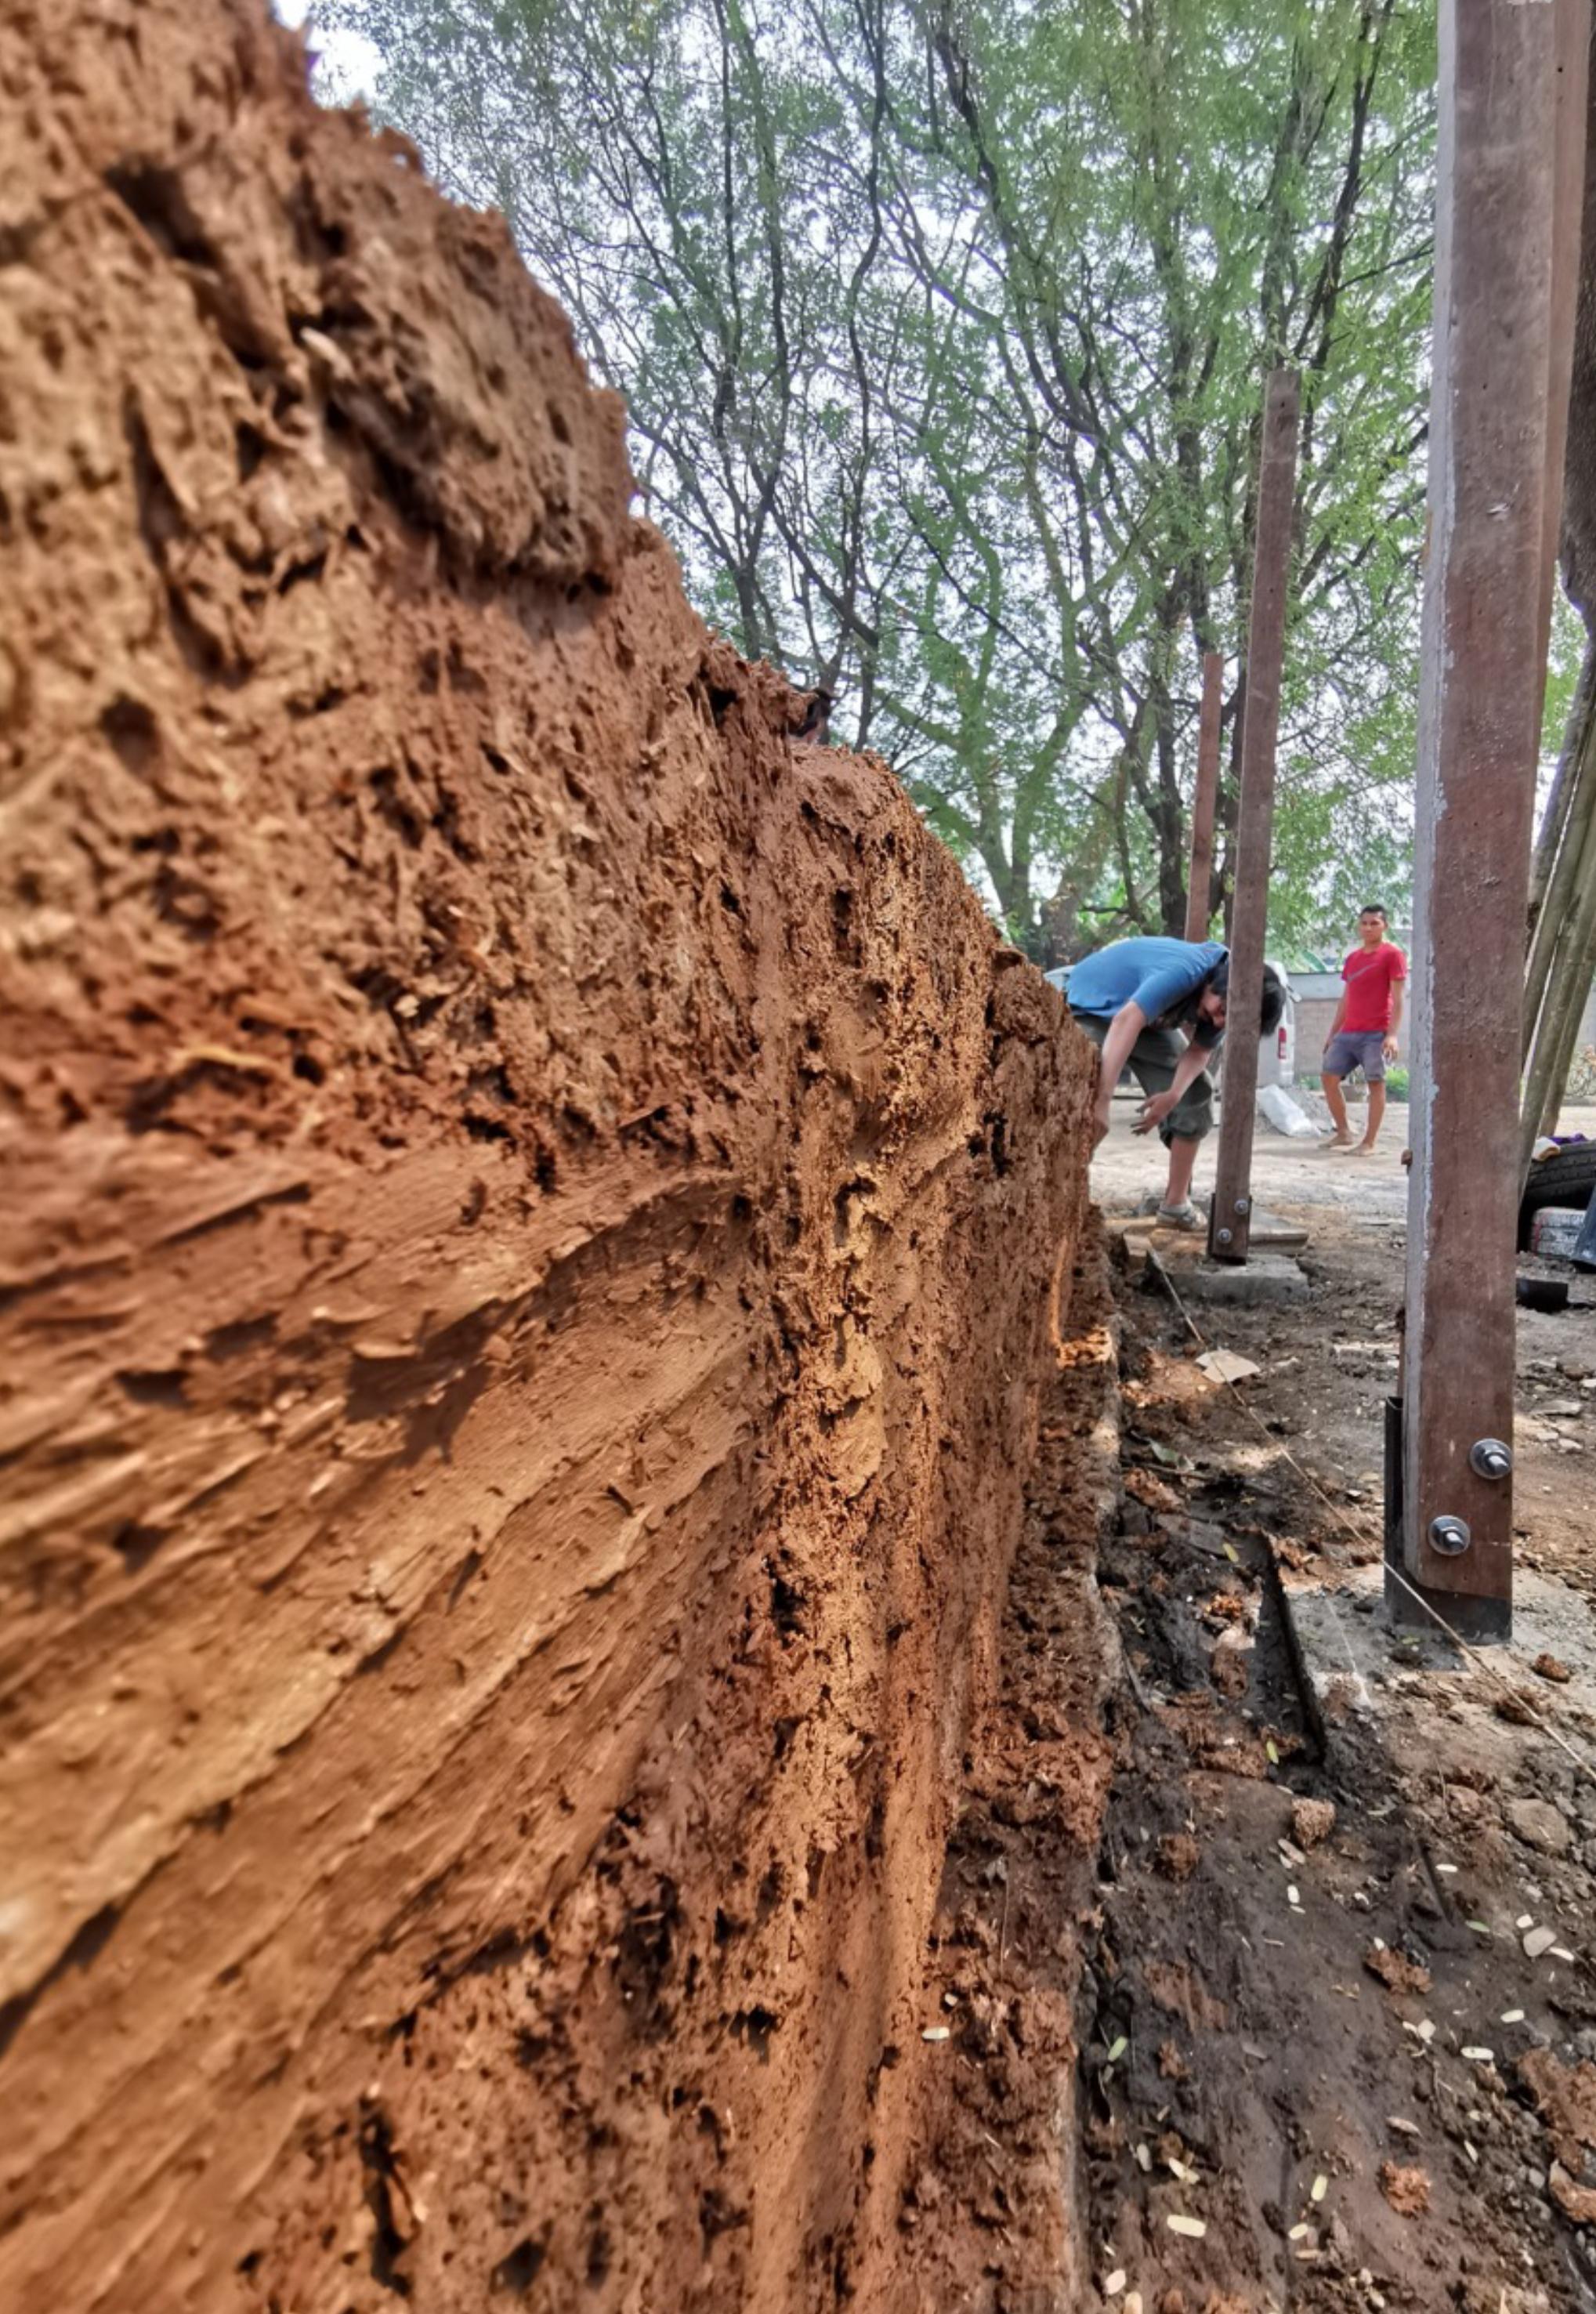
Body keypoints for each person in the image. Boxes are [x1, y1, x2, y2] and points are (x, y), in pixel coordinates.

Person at [1062, 936, 1287, 1229]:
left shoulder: (1230, 999)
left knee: (1196, 1092)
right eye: (1222, 1011)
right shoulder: (1186, 970)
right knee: (1082, 1089)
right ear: (1216, 985)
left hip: (1143, 1021)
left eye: (1229, 1021)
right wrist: (1102, 1102)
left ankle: (1175, 1205)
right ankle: (1061, 1193)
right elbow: (1126, 1021)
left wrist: (1173, 1095)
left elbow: (1199, 1052)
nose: (1219, 1023)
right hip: (1093, 1005)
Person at [1321, 905, 1406, 1154]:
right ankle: (1344, 1132)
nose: (1368, 928)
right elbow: (1346, 999)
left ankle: (1369, 1142)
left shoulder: (1393, 955)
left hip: (1376, 1033)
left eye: (1374, 923)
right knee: (1328, 1077)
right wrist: (1332, 1033)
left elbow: (1399, 999)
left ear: (1385, 926)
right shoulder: (1353, 959)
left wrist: (1392, 1034)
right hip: (1348, 1032)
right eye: (1364, 923)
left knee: (1375, 1083)